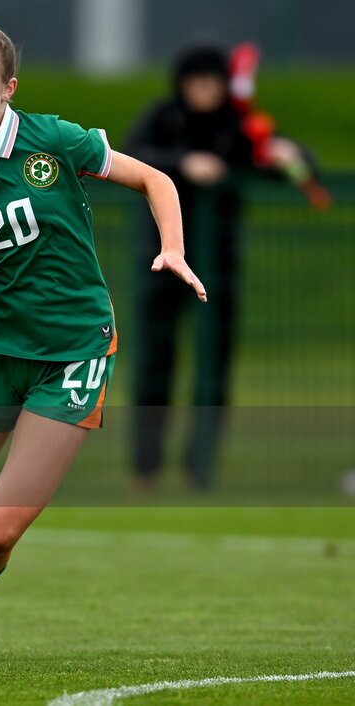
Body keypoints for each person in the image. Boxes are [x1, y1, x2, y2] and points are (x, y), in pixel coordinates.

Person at [0, 20, 206, 663]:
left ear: (8, 89)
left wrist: (171, 248)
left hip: (72, 351)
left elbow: (157, 181)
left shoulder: (52, 140)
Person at [125, 43, 310, 491]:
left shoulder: (241, 124)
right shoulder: (163, 118)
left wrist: (289, 156)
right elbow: (129, 153)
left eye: (213, 81)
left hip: (219, 266)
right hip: (162, 262)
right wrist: (183, 164)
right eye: (197, 81)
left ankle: (198, 467)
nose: (205, 90)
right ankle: (146, 468)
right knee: (154, 364)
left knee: (214, 371)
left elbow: (288, 161)